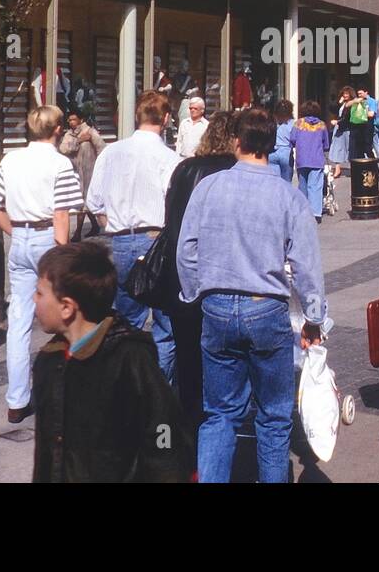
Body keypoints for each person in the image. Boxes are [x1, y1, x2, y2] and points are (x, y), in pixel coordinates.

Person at [176, 108, 326, 483]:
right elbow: (306, 263)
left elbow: (186, 249)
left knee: (220, 413)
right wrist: (314, 315)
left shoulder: (208, 187)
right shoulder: (287, 196)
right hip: (266, 306)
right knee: (274, 417)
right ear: (271, 144)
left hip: (219, 304)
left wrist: (194, 291)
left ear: (236, 142)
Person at [31, 241, 192, 482]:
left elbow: (163, 429)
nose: (34, 300)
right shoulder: (48, 361)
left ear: (67, 307)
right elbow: (46, 453)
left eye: (40, 293)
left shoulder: (130, 358)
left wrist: (169, 471)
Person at [0, 104, 83, 422]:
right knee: (69, 316)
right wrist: (64, 255)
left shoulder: (11, 160)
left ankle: (16, 400)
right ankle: (72, 390)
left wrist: (16, 232)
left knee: (20, 321)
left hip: (22, 241)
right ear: (57, 130)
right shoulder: (60, 164)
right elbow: (61, 215)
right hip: (48, 240)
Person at [85, 91, 180, 383]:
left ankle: (124, 386)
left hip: (122, 241)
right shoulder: (170, 159)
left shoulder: (111, 153)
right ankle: (160, 390)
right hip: (157, 240)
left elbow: (94, 202)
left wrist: (115, 223)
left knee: (126, 321)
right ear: (165, 119)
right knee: (165, 325)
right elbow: (175, 205)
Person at [156, 112, 238, 428]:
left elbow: (171, 223)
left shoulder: (185, 170)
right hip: (223, 279)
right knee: (225, 361)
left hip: (183, 279)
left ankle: (191, 427)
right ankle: (219, 425)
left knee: (188, 359)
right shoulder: (235, 172)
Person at [60, 110, 103, 240]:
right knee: (83, 201)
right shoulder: (69, 134)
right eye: (70, 120)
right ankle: (95, 225)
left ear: (81, 119)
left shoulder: (90, 131)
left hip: (89, 172)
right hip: (75, 172)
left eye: (74, 119)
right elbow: (63, 149)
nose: (71, 122)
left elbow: (102, 147)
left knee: (83, 200)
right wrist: (78, 141)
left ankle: (78, 233)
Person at [292, 101, 331, 220]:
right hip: (317, 159)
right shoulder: (322, 125)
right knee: (315, 187)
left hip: (302, 159)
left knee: (302, 186)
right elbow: (326, 144)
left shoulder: (298, 124)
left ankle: (303, 211)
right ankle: (315, 213)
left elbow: (292, 139)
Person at [268, 99, 296, 182]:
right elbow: (294, 139)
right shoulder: (293, 123)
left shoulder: (272, 121)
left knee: (273, 181)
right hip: (286, 152)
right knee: (286, 182)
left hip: (272, 151)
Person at [328, 88, 353, 179]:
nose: (345, 95)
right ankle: (337, 169)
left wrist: (337, 122)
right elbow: (333, 110)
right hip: (339, 129)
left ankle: (353, 168)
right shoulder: (342, 104)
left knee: (349, 148)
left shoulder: (352, 104)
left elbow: (347, 118)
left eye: (347, 94)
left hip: (347, 129)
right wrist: (339, 102)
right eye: (344, 94)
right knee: (336, 147)